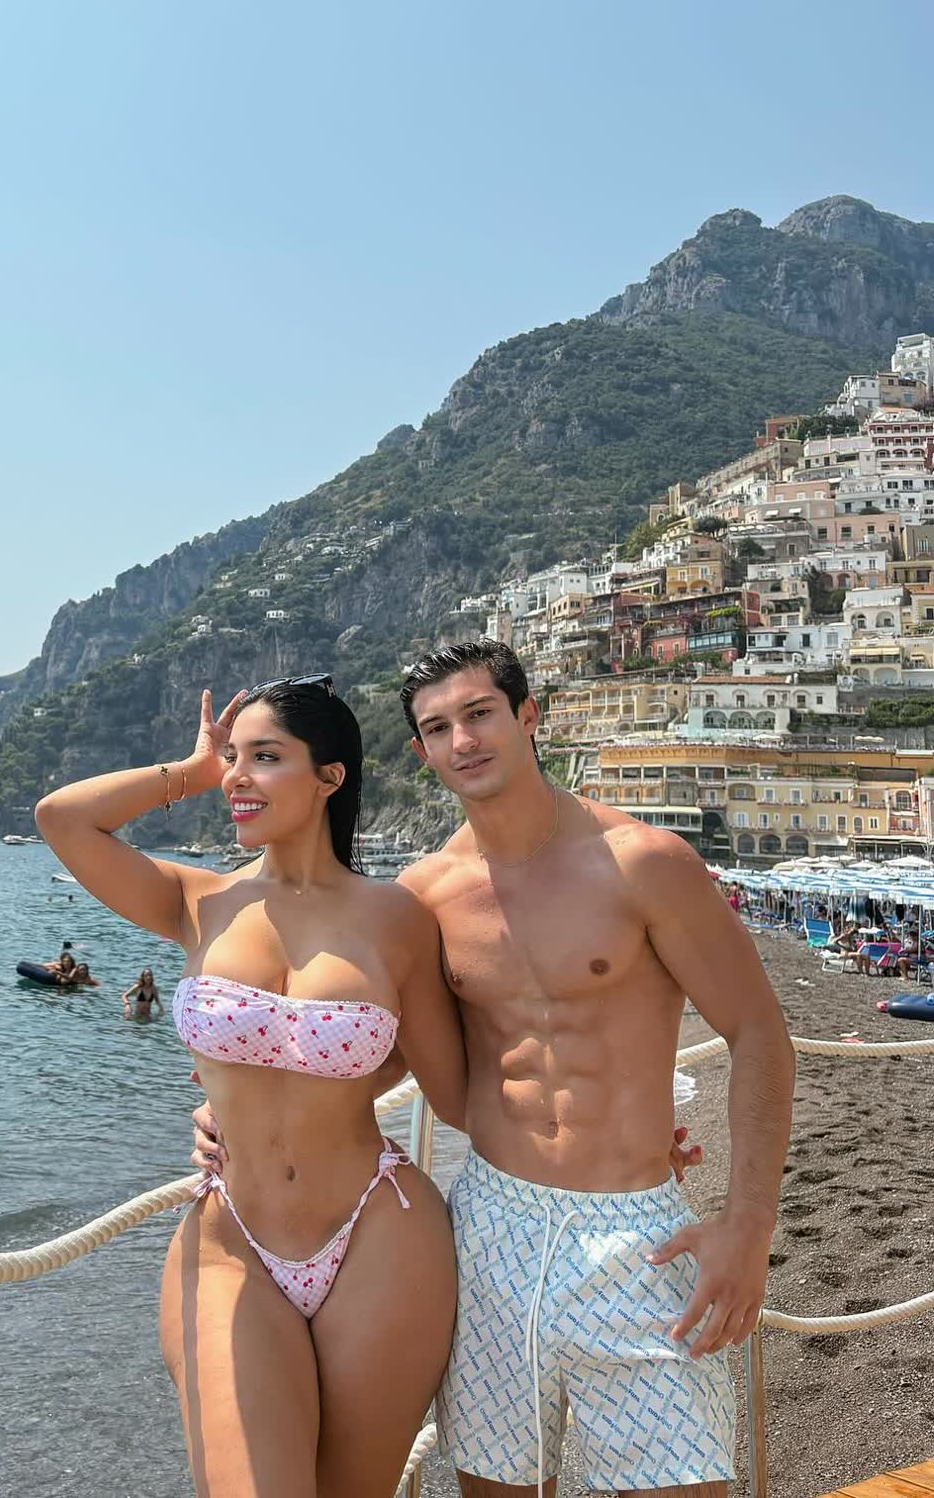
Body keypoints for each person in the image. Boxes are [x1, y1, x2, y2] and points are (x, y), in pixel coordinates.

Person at [194, 640, 794, 1498]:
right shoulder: (425, 894)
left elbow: (756, 1031)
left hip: (638, 1232)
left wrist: (748, 1223)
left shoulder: (643, 863)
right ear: (420, 751)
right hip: (488, 1229)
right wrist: (242, 1117)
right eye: (438, 728)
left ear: (527, 716)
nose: (462, 740)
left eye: (478, 714)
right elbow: (380, 1049)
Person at [37, 678, 469, 1497]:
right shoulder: (197, 899)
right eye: (235, 757)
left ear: (330, 776)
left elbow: (452, 1092)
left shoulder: (397, 919)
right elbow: (63, 818)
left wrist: (622, 1132)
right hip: (231, 1236)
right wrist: (193, 770)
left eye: (265, 757)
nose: (238, 775)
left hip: (379, 1232)